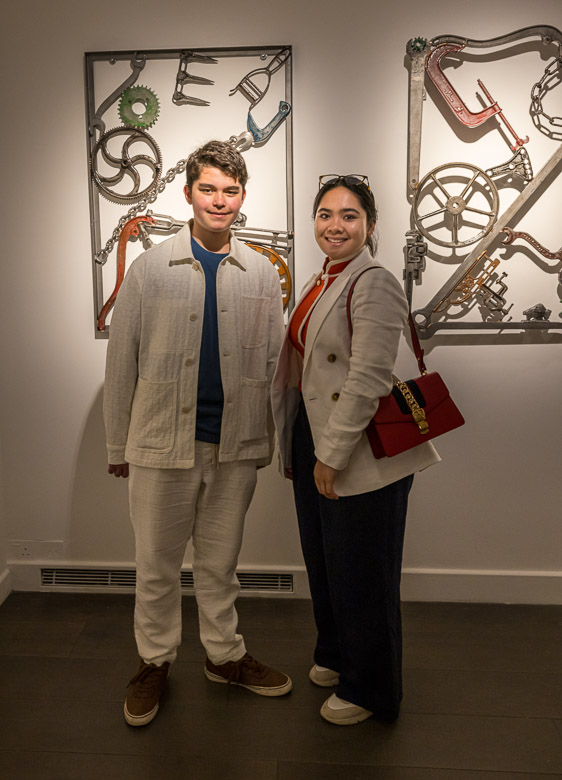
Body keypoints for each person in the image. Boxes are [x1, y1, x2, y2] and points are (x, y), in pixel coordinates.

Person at [104, 140, 291, 727]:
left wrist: (275, 441)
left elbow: (276, 365)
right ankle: (154, 661)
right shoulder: (150, 268)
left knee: (220, 563)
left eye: (230, 191)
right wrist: (117, 444)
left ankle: (223, 656)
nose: (219, 200)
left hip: (233, 445)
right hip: (161, 444)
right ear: (188, 194)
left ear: (242, 199)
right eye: (208, 188)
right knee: (156, 565)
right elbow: (120, 363)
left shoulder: (261, 271)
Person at [271, 174, 440, 725]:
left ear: (369, 225)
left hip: (356, 446)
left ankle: (371, 689)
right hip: (314, 433)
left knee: (364, 571)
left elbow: (368, 376)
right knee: (326, 561)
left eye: (349, 215)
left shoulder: (374, 281)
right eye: (325, 214)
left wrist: (331, 453)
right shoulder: (323, 280)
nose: (334, 225)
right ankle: (338, 654)